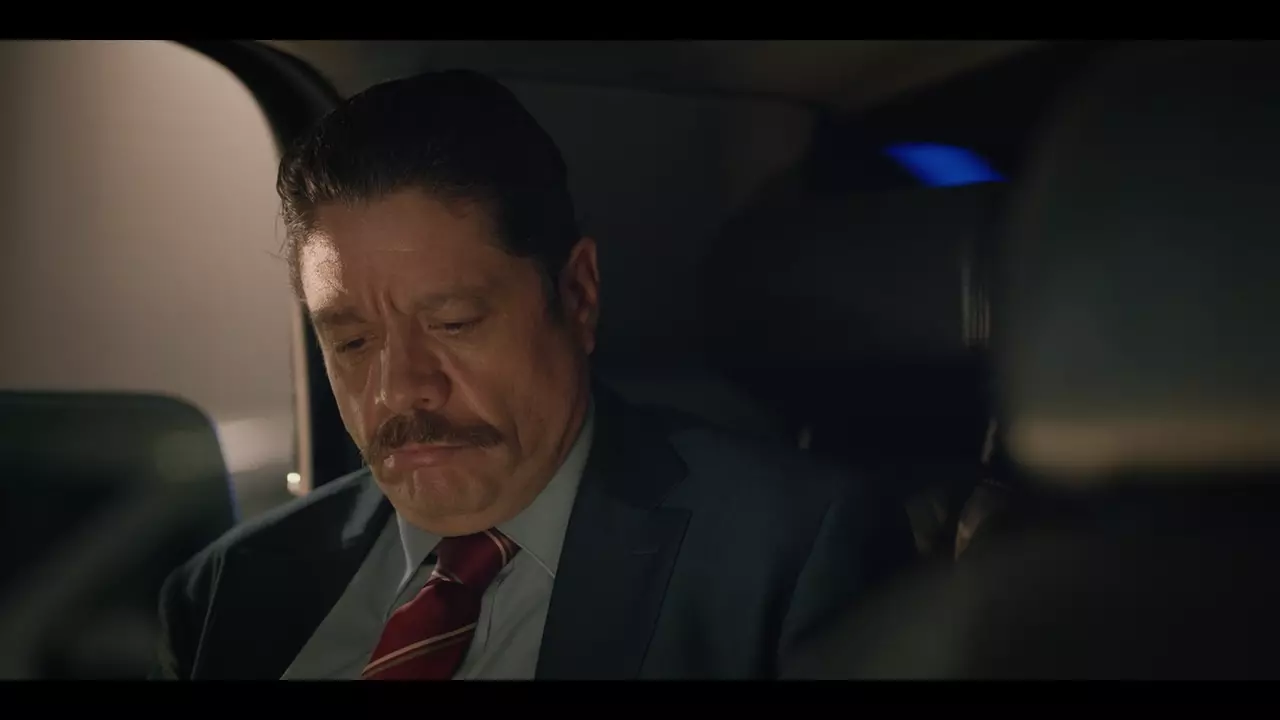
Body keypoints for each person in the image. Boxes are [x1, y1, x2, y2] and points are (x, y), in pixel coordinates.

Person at [152, 69, 915, 680]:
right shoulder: (228, 587)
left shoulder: (787, 554)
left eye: (453, 324)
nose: (398, 389)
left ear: (577, 295)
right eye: (351, 342)